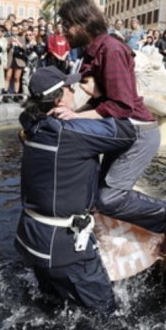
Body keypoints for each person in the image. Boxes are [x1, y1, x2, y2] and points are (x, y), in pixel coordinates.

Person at [55, 0, 166, 257]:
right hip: (120, 132)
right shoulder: (93, 51)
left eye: (66, 24)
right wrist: (71, 112)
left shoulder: (112, 50)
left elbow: (120, 105)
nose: (63, 31)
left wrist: (75, 116)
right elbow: (104, 102)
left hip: (138, 133)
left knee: (109, 199)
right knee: (99, 195)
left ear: (83, 22)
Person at [16, 66, 136, 315]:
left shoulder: (30, 123)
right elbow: (126, 132)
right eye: (70, 88)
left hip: (32, 239)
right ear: (59, 99)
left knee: (51, 309)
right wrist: (89, 112)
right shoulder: (70, 132)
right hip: (66, 247)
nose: (74, 90)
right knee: (105, 317)